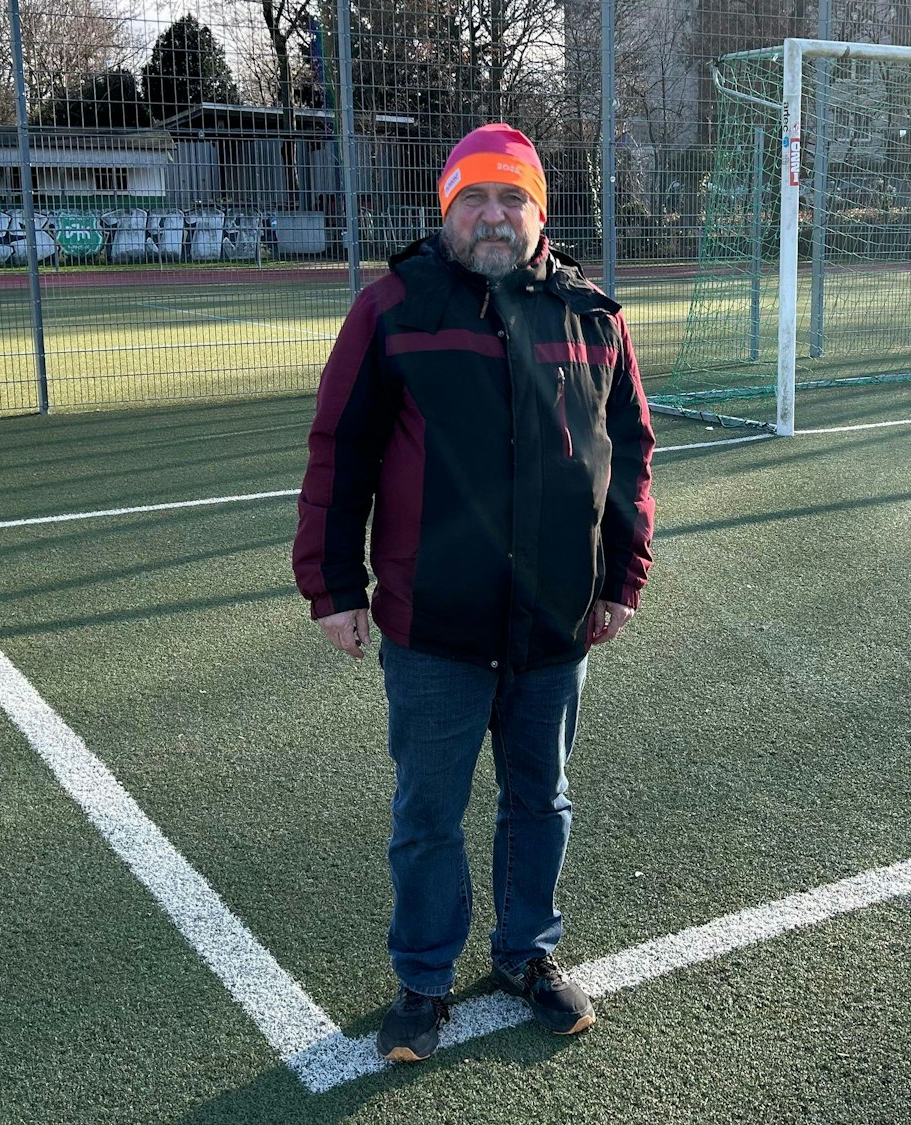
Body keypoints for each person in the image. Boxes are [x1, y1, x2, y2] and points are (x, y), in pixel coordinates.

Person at [291, 123, 657, 1064]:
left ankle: (526, 956)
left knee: (542, 801)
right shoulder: (394, 308)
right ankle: (423, 977)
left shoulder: (593, 317)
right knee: (428, 814)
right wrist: (334, 584)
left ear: (541, 212)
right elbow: (342, 451)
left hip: (552, 625)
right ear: (446, 210)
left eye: (512, 198)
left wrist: (621, 575)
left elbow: (627, 458)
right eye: (474, 200)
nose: (494, 217)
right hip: (434, 625)